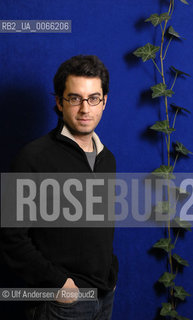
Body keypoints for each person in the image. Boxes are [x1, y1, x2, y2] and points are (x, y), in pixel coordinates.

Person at [1, 55, 118, 320]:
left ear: (104, 101)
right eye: (75, 98)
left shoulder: (107, 158)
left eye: (93, 98)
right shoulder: (33, 157)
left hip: (104, 297)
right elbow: (10, 236)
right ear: (59, 101)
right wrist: (60, 285)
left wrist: (111, 273)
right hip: (62, 304)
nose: (85, 109)